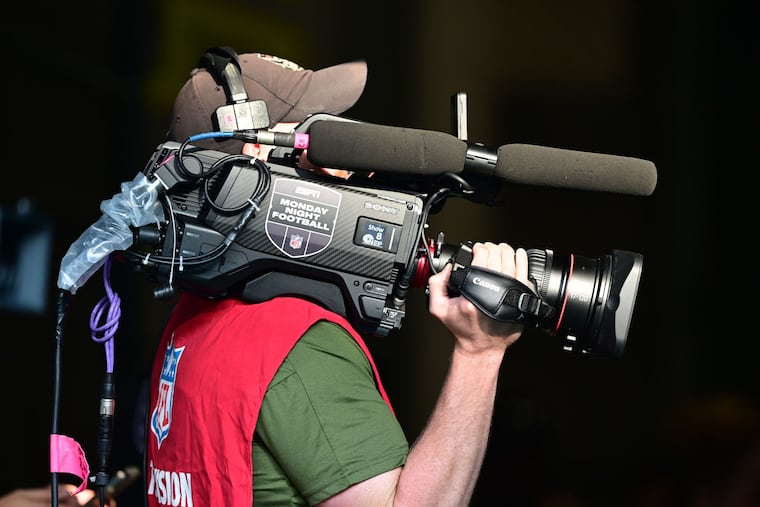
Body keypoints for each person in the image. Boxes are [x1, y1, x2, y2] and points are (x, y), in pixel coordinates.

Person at [143, 50, 531, 506]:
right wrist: (479, 353)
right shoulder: (295, 345)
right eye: (320, 137)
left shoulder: (186, 325)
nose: (348, 164)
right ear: (258, 159)